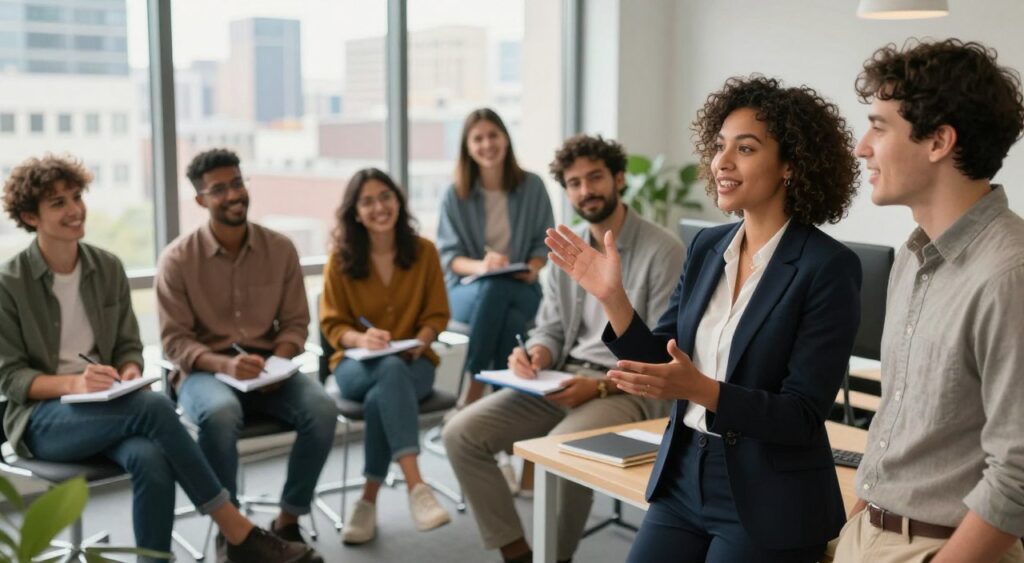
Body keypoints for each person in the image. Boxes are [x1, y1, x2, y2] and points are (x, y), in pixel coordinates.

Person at [546, 76, 863, 562]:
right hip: (683, 475)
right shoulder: (707, 247)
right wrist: (613, 299)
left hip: (769, 492)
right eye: (719, 147)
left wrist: (703, 390)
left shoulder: (827, 267)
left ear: (791, 166)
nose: (722, 162)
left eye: (746, 148)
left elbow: (801, 415)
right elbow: (660, 364)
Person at [0, 155, 320, 563]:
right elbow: (10, 378)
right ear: (30, 216)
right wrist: (75, 383)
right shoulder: (9, 283)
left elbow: (128, 348)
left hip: (109, 408)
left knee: (150, 459)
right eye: (58, 203)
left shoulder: (107, 267)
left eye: (76, 196)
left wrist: (129, 372)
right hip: (43, 418)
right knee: (152, 407)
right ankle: (236, 528)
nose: (74, 209)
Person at [444, 134, 684, 563]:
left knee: (558, 450)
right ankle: (518, 553)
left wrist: (599, 389)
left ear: (619, 177)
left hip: (628, 390)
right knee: (461, 433)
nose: (585, 190)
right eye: (574, 183)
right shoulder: (567, 246)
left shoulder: (662, 250)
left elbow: (663, 356)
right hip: (562, 377)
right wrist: (537, 354)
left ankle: (555, 557)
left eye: (595, 177)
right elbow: (550, 327)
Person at [830, 39, 1024, 563]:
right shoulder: (913, 258)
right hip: (870, 536)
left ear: (938, 141)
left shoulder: (1010, 273)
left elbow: (1019, 471)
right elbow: (896, 424)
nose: (861, 146)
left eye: (880, 126)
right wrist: (855, 531)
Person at [155, 148, 337, 553]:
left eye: (237, 183)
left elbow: (295, 324)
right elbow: (175, 342)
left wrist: (276, 361)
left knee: (323, 409)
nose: (233, 194)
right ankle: (233, 530)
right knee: (220, 414)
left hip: (270, 370)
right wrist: (225, 364)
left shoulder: (281, 249)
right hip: (204, 373)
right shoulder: (177, 260)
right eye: (219, 189)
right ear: (201, 200)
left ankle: (288, 520)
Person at [320, 168, 453, 544]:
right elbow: (332, 325)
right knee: (387, 371)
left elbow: (437, 315)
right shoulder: (340, 260)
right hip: (353, 367)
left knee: (385, 390)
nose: (379, 207)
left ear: (398, 200)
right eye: (367, 201)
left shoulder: (424, 251)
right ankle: (417, 485)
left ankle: (367, 501)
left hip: (415, 365)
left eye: (386, 196)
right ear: (355, 212)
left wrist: (419, 342)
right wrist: (361, 339)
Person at [437, 108, 555, 405]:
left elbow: (544, 244)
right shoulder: (455, 194)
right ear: (467, 147)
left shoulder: (533, 186)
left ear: (506, 139)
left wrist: (532, 268)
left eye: (493, 135)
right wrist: (483, 266)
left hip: (524, 287)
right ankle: (503, 405)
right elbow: (449, 256)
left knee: (506, 304)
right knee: (498, 294)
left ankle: (474, 389)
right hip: (467, 291)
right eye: (478, 138)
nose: (487, 144)